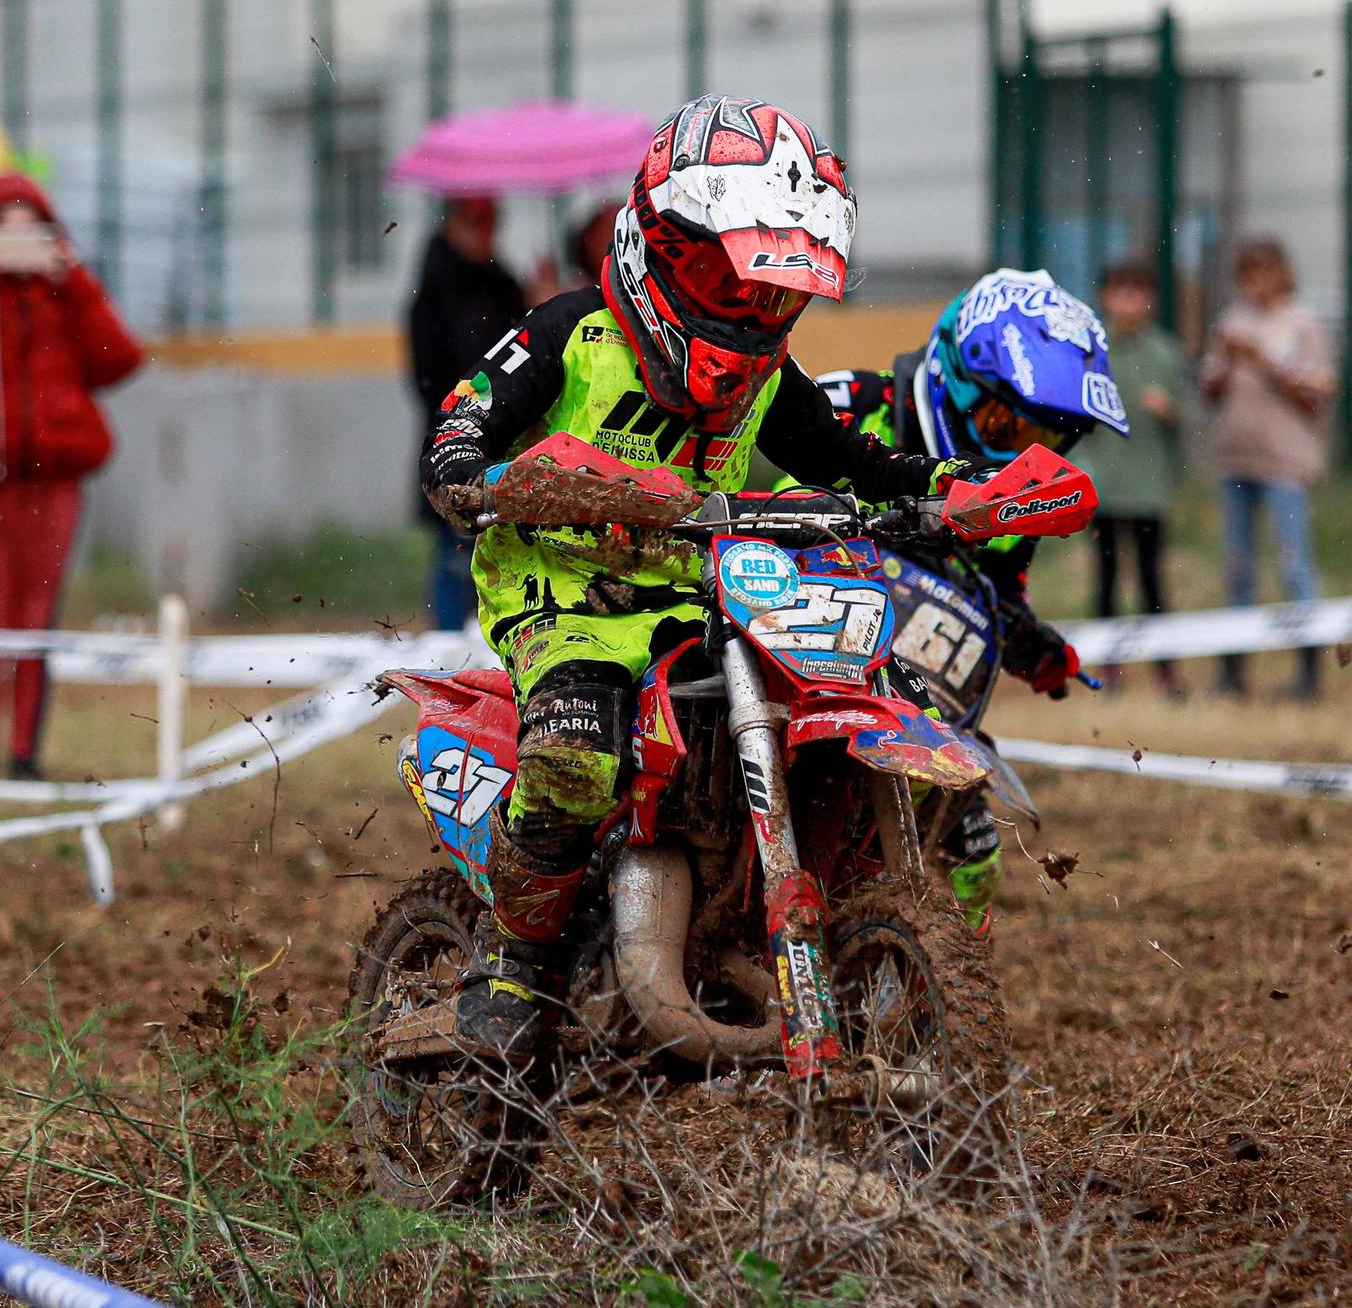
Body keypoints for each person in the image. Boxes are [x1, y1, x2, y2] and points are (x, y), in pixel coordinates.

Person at [420, 95, 986, 1054]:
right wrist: (475, 469)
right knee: (577, 748)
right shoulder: (573, 330)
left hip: (701, 590)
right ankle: (514, 960)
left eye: (780, 296)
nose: (762, 316)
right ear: (670, 254)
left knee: (834, 691)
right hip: (566, 594)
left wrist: (949, 487)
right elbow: (467, 414)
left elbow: (847, 457)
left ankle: (801, 916)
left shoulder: (764, 375)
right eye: (743, 287)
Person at [805, 267, 1123, 927]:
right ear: (956, 384)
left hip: (916, 708)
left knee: (977, 848)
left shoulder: (1016, 505)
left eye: (1049, 440)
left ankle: (920, 988)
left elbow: (1001, 585)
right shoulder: (851, 405)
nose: (1023, 454)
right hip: (799, 670)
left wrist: (1031, 643)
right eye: (1008, 426)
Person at [0, 174, 142, 779]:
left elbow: (120, 359)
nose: (17, 243)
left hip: (56, 480)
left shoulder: (68, 296)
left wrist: (74, 280)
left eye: (29, 228)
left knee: (38, 616)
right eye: (2, 229)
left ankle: (23, 753)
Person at [1201, 238, 1334, 701]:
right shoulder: (1232, 322)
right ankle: (1234, 673)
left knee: (1294, 565)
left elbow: (1316, 395)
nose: (1254, 282)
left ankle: (1308, 672)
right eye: (1246, 273)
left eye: (1262, 271)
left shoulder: (1303, 323)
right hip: (1237, 458)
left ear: (1281, 272)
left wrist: (1264, 364)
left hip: (1286, 464)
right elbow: (1210, 392)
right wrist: (1220, 370)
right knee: (1238, 568)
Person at [406, 195, 525, 631]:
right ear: (455, 222)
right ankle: (447, 652)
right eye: (476, 220)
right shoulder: (438, 288)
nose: (486, 231)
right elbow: (426, 375)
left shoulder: (499, 281)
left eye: (492, 220)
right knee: (454, 553)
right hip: (455, 442)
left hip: (502, 439)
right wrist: (462, 415)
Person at [1079, 260, 1191, 698]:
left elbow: (1187, 420)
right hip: (1102, 487)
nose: (1128, 303)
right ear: (1106, 296)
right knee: (1105, 581)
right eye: (1119, 292)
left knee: (1151, 582)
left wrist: (1170, 412)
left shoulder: (1166, 353)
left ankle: (1166, 672)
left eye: (1136, 293)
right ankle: (1109, 670)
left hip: (1148, 489)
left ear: (1150, 300)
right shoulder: (1091, 350)